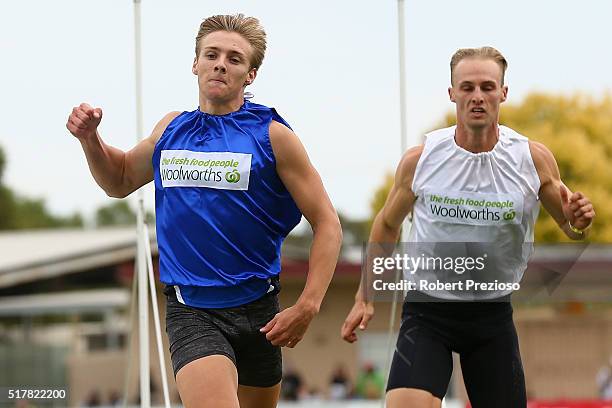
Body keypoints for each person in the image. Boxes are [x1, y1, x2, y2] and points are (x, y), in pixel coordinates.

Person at [66, 14, 342, 408]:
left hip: (260, 311)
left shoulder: (274, 136)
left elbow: (328, 223)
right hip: (193, 311)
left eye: (234, 58)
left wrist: (309, 304)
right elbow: (121, 178)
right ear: (195, 63)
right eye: (211, 55)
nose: (220, 64)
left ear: (251, 75)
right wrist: (91, 140)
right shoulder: (171, 129)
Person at [341, 46, 595, 408]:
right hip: (428, 311)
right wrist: (365, 296)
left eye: (488, 87)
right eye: (468, 87)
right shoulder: (421, 160)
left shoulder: (532, 159)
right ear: (452, 93)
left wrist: (579, 222)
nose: (478, 96)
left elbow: (570, 228)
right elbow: (386, 225)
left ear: (503, 93)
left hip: (491, 315)